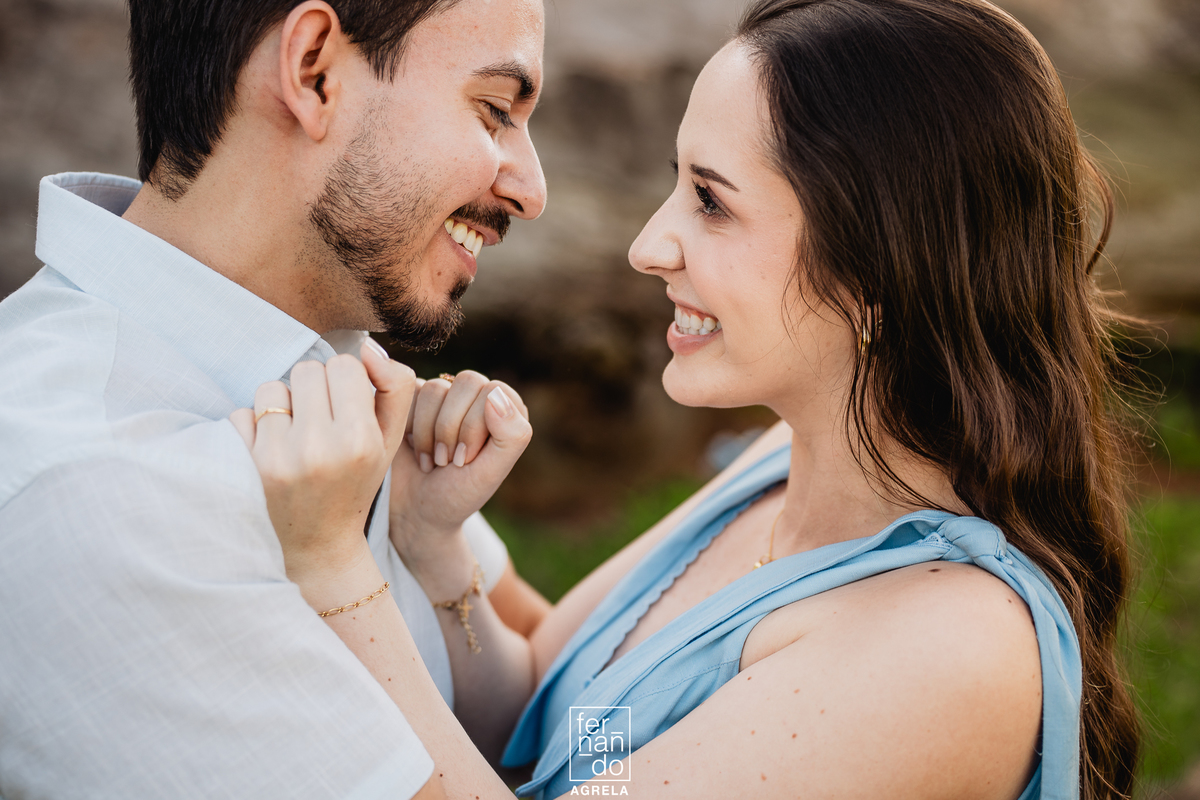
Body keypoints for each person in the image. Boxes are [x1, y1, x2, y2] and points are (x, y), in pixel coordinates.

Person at [244, 0, 1142, 798]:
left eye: (711, 201)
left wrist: (335, 574)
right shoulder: (778, 469)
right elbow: (552, 734)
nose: (649, 245)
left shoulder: (948, 646)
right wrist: (433, 544)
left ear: (878, 271)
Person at [0, 0, 549, 798]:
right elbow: (598, 716)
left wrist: (435, 553)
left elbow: (571, 678)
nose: (533, 189)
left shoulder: (327, 359)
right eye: (495, 111)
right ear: (314, 70)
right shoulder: (100, 492)